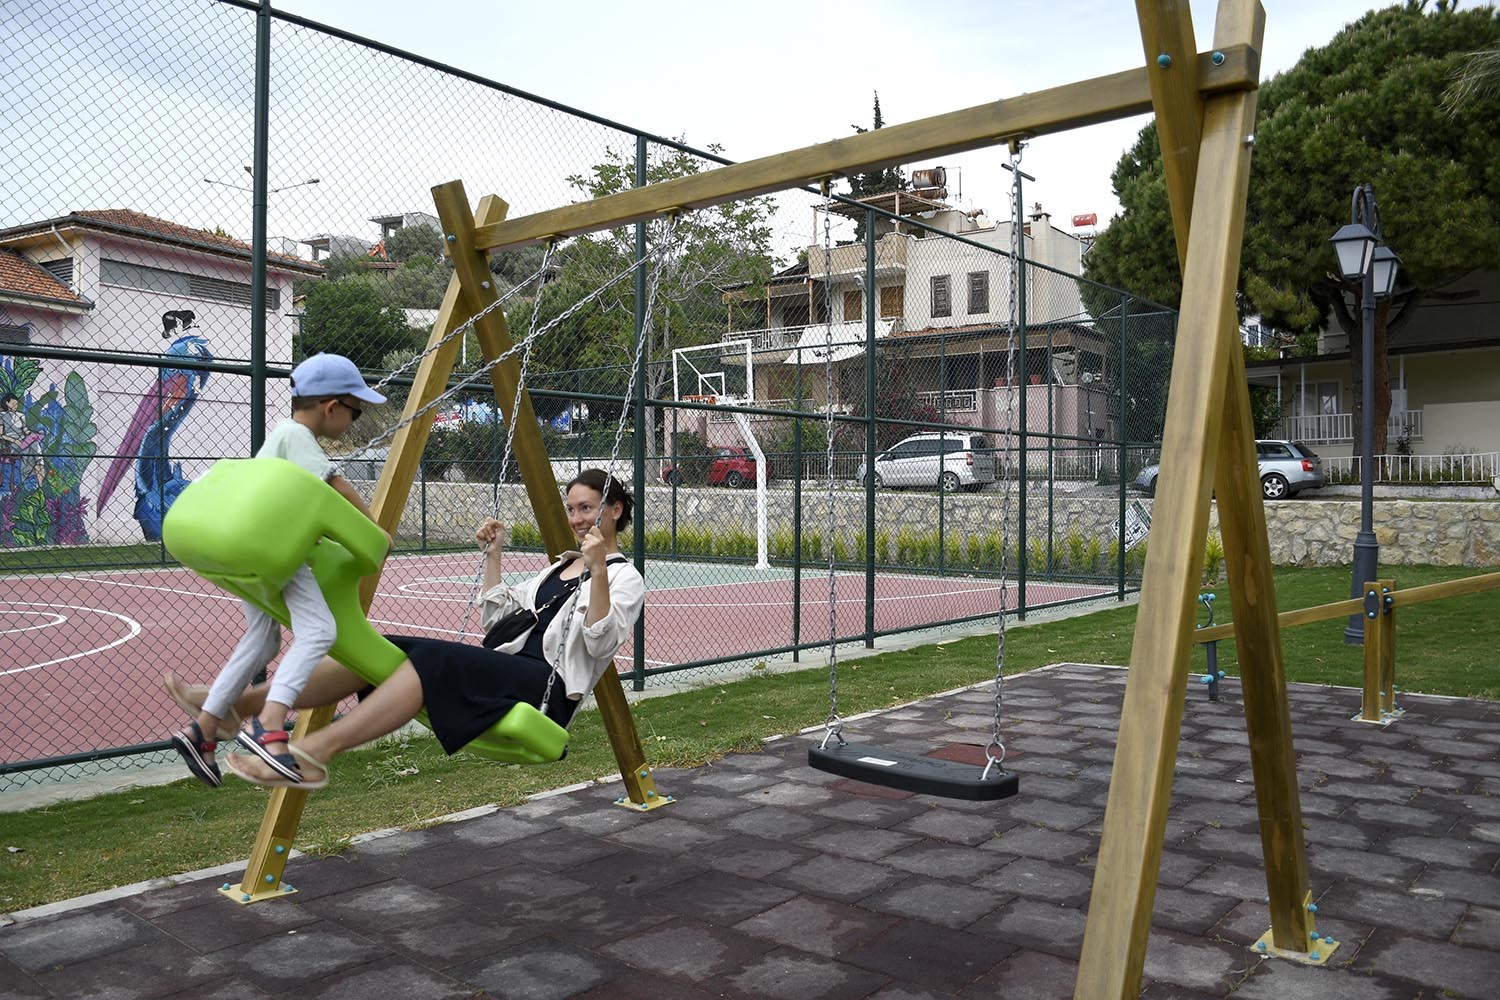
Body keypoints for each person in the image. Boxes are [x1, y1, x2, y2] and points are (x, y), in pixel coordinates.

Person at [171, 469, 644, 788]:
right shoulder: (553, 570)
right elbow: (496, 622)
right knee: (382, 649)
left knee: (432, 659)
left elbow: (600, 642)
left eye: (588, 508)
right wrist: (494, 558)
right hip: (505, 671)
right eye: (573, 510)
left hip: (545, 689)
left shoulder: (625, 577)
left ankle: (314, 752)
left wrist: (599, 569)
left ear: (615, 510)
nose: (578, 519)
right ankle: (237, 706)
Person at [166, 353, 388, 789]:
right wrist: (374, 529)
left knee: (263, 638)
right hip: (271, 548)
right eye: (355, 411)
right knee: (320, 631)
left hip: (250, 549)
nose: (353, 420)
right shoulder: (295, 434)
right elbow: (331, 484)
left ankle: (203, 728)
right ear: (332, 406)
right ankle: (268, 726)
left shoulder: (279, 438)